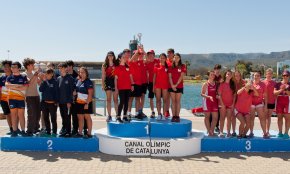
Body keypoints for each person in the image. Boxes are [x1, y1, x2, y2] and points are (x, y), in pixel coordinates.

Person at [6, 62, 29, 137]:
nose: (12, 68)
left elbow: (25, 87)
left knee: (21, 115)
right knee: (13, 115)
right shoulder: (9, 77)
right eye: (12, 67)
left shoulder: (23, 77)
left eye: (15, 67)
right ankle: (14, 131)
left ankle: (23, 130)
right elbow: (7, 86)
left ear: (19, 68)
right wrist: (19, 86)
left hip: (21, 99)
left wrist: (13, 86)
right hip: (12, 99)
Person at [22, 58, 42, 136]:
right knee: (31, 114)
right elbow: (28, 82)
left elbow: (39, 83)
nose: (33, 66)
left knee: (38, 114)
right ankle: (29, 130)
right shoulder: (24, 74)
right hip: (29, 96)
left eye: (33, 64)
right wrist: (35, 75)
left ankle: (36, 128)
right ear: (27, 66)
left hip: (37, 96)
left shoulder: (34, 73)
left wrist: (41, 77)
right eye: (32, 64)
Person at [114, 51, 134, 123]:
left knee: (126, 102)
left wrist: (132, 85)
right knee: (121, 101)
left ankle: (125, 116)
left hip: (128, 87)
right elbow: (115, 79)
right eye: (123, 57)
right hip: (121, 87)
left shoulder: (128, 67)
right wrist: (116, 88)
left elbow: (130, 76)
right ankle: (118, 116)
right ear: (119, 59)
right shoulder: (117, 67)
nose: (125, 58)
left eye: (125, 57)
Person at [39, 68, 59, 137]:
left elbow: (57, 93)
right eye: (46, 73)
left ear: (52, 74)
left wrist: (56, 102)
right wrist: (44, 81)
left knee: (53, 119)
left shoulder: (55, 82)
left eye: (48, 73)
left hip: (52, 104)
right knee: (46, 118)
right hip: (45, 103)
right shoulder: (44, 82)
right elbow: (40, 89)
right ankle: (48, 131)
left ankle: (54, 132)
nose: (46, 75)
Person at [57, 63, 75, 137]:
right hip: (61, 102)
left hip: (67, 102)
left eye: (61, 68)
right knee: (63, 117)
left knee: (67, 117)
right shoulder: (58, 78)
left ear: (65, 68)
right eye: (59, 68)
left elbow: (72, 91)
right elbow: (57, 91)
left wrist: (69, 101)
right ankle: (64, 129)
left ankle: (68, 132)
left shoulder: (70, 78)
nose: (60, 69)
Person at [75, 67, 94, 138]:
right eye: (80, 72)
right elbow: (77, 90)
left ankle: (89, 133)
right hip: (78, 102)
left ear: (86, 73)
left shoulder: (88, 82)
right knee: (80, 118)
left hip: (86, 103)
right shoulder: (78, 80)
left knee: (87, 117)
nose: (81, 74)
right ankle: (80, 133)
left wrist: (87, 103)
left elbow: (90, 94)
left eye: (83, 72)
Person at [249, 71, 268, 138]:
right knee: (251, 119)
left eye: (258, 76)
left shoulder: (263, 84)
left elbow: (265, 95)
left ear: (260, 77)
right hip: (251, 103)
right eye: (255, 75)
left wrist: (265, 105)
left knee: (262, 118)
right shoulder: (250, 83)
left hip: (259, 103)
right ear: (253, 76)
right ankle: (251, 132)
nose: (256, 77)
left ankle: (265, 133)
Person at [168, 53, 186, 122]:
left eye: (177, 57)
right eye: (175, 57)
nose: (176, 58)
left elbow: (182, 76)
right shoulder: (170, 66)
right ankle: (173, 116)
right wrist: (172, 85)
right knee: (173, 101)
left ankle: (177, 116)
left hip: (179, 86)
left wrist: (176, 85)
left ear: (180, 58)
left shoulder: (183, 66)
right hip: (171, 86)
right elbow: (169, 76)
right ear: (173, 58)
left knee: (178, 101)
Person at [218, 70, 236, 137]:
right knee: (222, 118)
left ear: (231, 76)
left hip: (230, 104)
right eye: (228, 74)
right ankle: (221, 132)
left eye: (230, 74)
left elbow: (234, 95)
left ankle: (228, 132)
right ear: (225, 75)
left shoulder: (233, 84)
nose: (229, 75)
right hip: (222, 104)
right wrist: (222, 104)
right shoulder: (222, 84)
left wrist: (233, 104)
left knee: (229, 119)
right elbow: (219, 95)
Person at [102, 51, 118, 122]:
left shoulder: (116, 64)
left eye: (111, 55)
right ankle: (109, 115)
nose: (110, 57)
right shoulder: (104, 65)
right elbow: (103, 76)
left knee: (116, 100)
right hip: (107, 82)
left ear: (113, 56)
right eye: (109, 55)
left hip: (115, 82)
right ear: (107, 56)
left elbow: (117, 75)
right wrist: (103, 85)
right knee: (108, 100)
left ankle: (117, 115)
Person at [127, 49, 144, 120]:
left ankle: (137, 113)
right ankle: (128, 113)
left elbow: (145, 57)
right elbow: (131, 60)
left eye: (138, 55)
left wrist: (141, 50)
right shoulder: (129, 62)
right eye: (136, 54)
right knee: (130, 99)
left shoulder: (140, 62)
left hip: (139, 83)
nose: (137, 56)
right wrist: (136, 52)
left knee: (137, 99)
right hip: (132, 84)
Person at [201, 70, 219, 136]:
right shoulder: (205, 84)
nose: (212, 76)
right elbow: (202, 94)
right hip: (207, 102)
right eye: (211, 74)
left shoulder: (216, 84)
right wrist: (208, 97)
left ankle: (211, 130)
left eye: (213, 75)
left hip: (214, 103)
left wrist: (218, 96)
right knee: (207, 117)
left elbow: (217, 93)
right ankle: (209, 131)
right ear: (208, 76)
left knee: (215, 118)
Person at [274, 70, 290, 139]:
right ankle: (280, 132)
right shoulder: (278, 84)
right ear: (282, 76)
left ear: (289, 76)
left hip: (287, 101)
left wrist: (286, 90)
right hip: (279, 101)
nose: (285, 77)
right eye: (284, 75)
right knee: (279, 117)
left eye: (287, 75)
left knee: (287, 118)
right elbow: (274, 93)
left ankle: (286, 133)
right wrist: (281, 89)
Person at [153, 53, 169, 121]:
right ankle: (159, 114)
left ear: (165, 59)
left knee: (165, 101)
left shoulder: (168, 67)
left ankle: (164, 114)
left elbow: (169, 77)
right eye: (161, 57)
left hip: (165, 86)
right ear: (159, 58)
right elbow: (154, 77)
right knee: (158, 100)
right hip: (157, 85)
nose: (162, 59)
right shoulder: (156, 66)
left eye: (163, 58)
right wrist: (153, 86)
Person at [66, 60, 79, 136]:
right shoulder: (65, 75)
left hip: (75, 99)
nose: (67, 68)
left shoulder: (77, 75)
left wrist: (75, 92)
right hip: (67, 99)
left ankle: (75, 130)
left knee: (74, 115)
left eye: (67, 66)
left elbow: (79, 86)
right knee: (67, 115)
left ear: (71, 66)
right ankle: (67, 130)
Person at [0, 60, 13, 134]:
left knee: (14, 114)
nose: (6, 68)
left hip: (13, 99)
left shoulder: (14, 76)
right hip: (3, 99)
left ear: (10, 68)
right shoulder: (2, 77)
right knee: (7, 114)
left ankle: (15, 129)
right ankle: (11, 129)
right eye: (4, 67)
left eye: (7, 67)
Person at [145, 50, 159, 118]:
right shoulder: (147, 63)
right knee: (151, 98)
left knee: (158, 98)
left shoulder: (158, 61)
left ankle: (159, 112)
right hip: (150, 83)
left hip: (158, 82)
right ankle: (153, 112)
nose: (150, 56)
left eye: (152, 54)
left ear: (154, 55)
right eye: (149, 55)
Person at [263, 68, 276, 137]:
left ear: (272, 74)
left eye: (270, 74)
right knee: (264, 117)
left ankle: (268, 131)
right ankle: (264, 131)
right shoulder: (263, 82)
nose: (269, 75)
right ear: (266, 74)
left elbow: (276, 92)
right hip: (264, 102)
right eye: (268, 73)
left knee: (269, 117)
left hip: (272, 102)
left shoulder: (274, 83)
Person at [232, 71, 246, 136]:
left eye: (238, 75)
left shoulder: (244, 82)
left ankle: (242, 132)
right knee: (233, 117)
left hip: (242, 102)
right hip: (233, 101)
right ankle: (234, 131)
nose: (237, 77)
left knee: (243, 118)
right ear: (234, 76)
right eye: (236, 75)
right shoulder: (232, 83)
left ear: (240, 76)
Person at [165, 48, 175, 118]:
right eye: (168, 53)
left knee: (173, 99)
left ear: (173, 54)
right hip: (166, 83)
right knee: (166, 99)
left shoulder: (176, 61)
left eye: (170, 53)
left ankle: (174, 113)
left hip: (173, 83)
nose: (169, 54)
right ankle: (166, 111)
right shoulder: (165, 61)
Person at [213, 64, 222, 133]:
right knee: (211, 112)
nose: (218, 71)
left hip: (219, 98)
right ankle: (211, 126)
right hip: (212, 97)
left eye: (219, 69)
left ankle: (217, 126)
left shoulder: (221, 78)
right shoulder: (212, 76)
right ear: (214, 70)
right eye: (216, 69)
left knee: (218, 112)